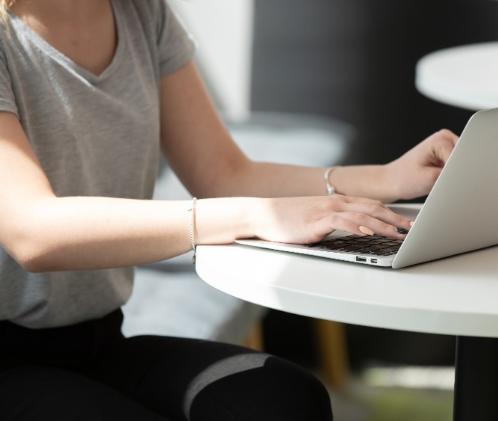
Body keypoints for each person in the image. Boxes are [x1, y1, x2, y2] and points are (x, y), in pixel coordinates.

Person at [0, 0, 458, 420]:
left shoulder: (141, 13)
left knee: (280, 399)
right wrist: (259, 216)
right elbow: (33, 231)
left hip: (98, 341)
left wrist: (388, 179)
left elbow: (224, 175)